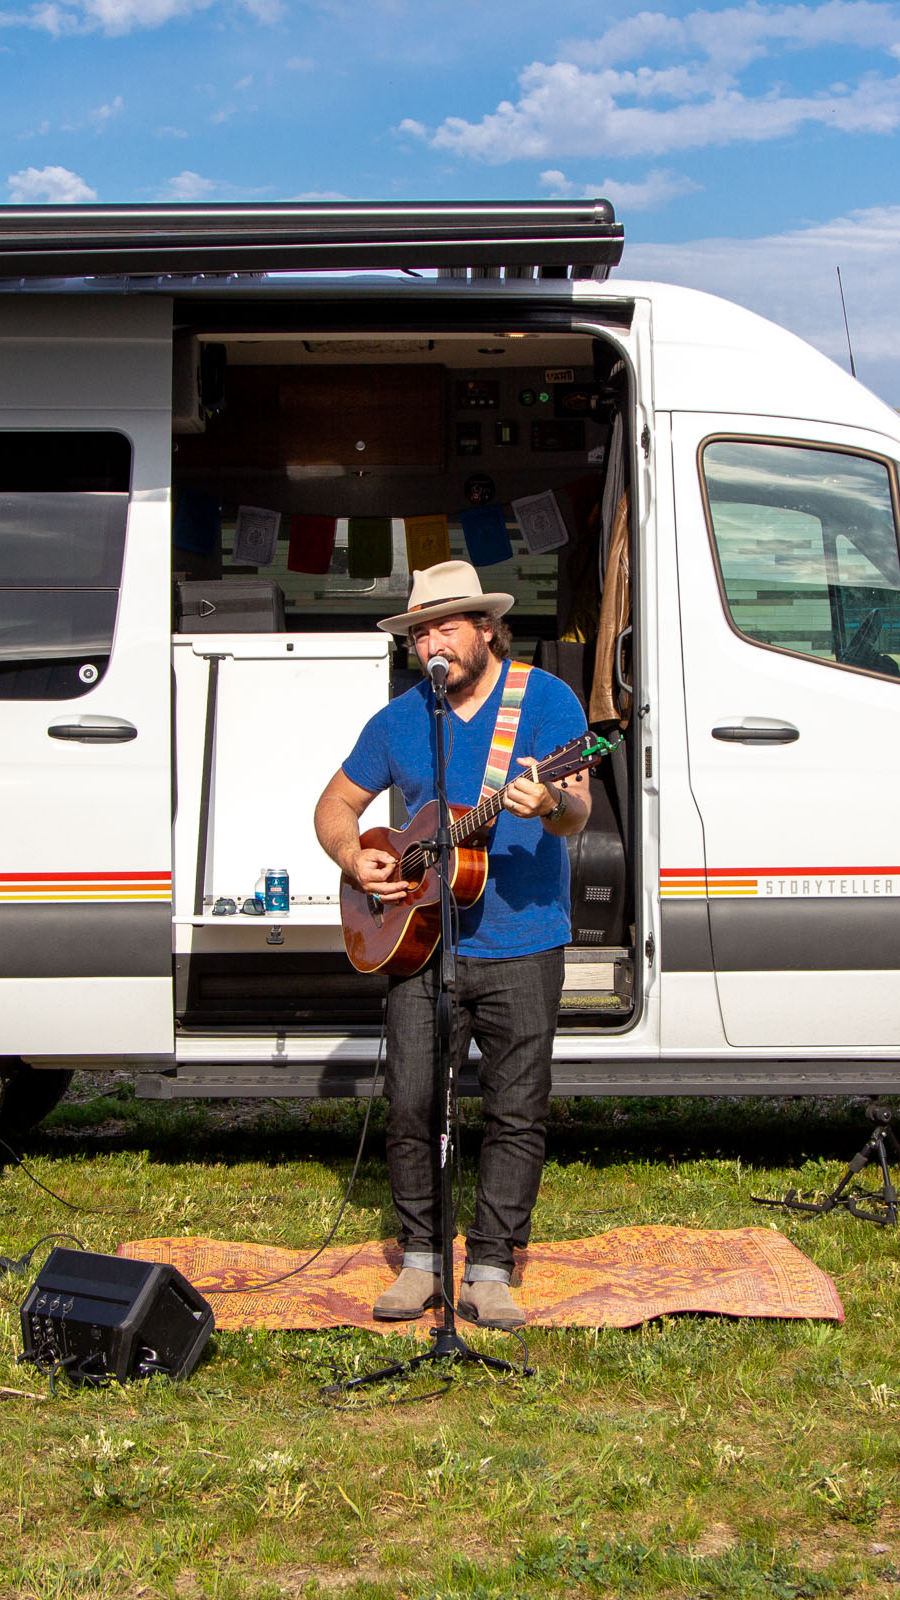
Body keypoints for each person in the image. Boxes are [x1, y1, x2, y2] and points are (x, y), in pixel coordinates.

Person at [313, 560, 591, 1332]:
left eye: (446, 624)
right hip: (422, 945)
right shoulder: (404, 718)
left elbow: (578, 811)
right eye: (420, 630)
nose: (432, 640)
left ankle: (494, 1267)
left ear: (486, 627)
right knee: (409, 1101)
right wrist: (353, 856)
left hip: (525, 941)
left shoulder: (545, 701)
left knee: (515, 1108)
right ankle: (422, 1261)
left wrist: (552, 801)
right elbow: (336, 804)